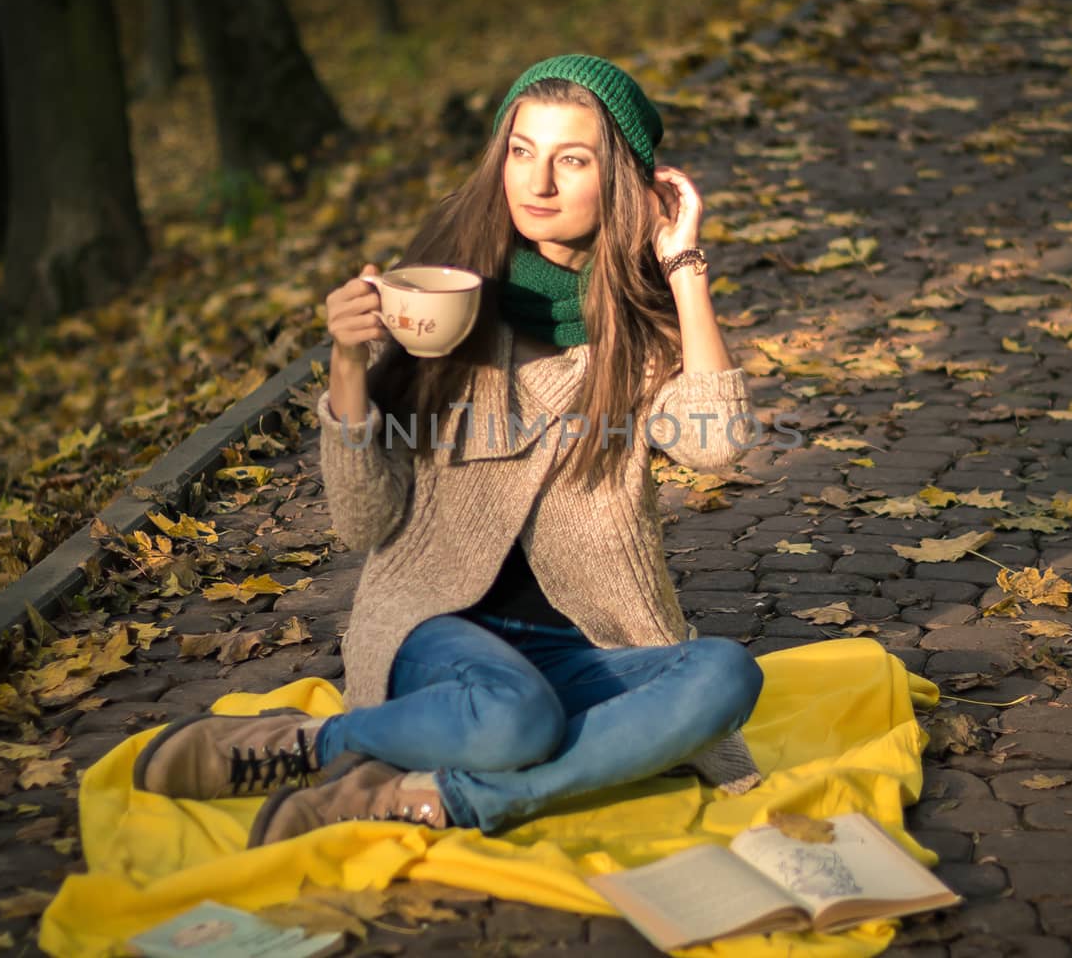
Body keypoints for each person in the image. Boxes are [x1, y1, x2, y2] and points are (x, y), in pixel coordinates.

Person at [132, 54, 765, 845]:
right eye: (521, 152)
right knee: (513, 720)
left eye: (571, 160)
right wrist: (347, 364)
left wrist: (683, 269)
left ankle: (450, 797)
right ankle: (313, 745)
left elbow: (719, 445)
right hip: (438, 627)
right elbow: (364, 521)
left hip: (587, 645)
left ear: (623, 183)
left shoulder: (636, 334)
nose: (537, 183)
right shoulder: (447, 299)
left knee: (725, 676)